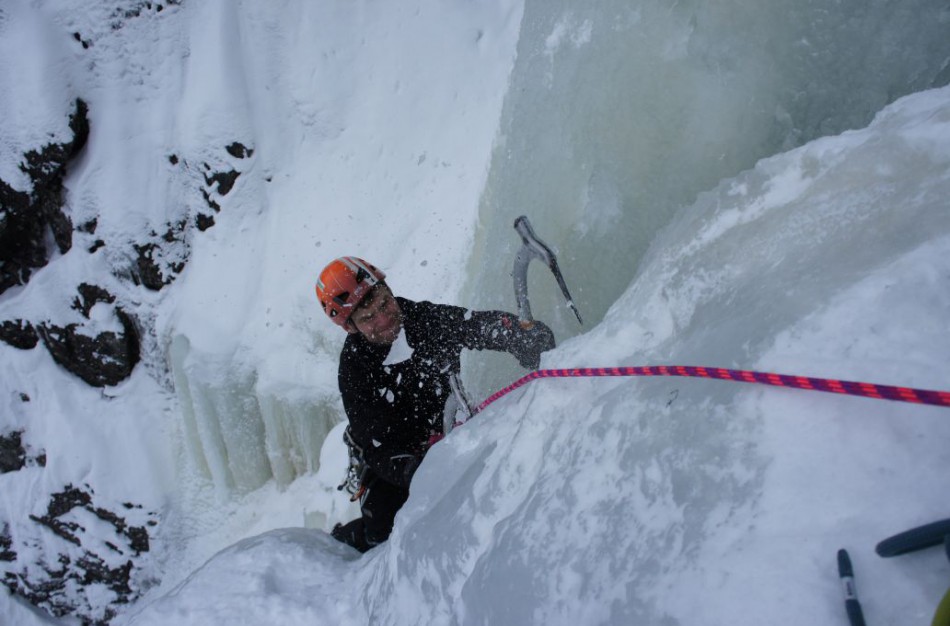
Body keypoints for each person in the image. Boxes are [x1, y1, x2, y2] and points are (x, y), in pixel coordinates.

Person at [315, 256, 555, 552]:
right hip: (395, 462)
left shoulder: (422, 320)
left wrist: (517, 334)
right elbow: (376, 446)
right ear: (350, 327)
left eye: (384, 303)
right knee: (380, 533)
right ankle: (347, 538)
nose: (384, 318)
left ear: (388, 290)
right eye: (368, 318)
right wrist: (414, 471)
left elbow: (474, 325)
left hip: (448, 435)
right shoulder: (355, 369)